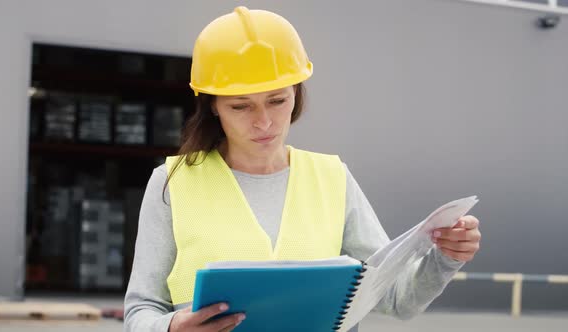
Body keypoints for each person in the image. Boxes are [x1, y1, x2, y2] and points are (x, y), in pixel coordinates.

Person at [124, 6, 481, 332]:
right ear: (213, 106)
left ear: (297, 91)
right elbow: (140, 310)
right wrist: (170, 328)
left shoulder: (332, 178)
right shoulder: (173, 184)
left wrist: (446, 257)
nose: (264, 122)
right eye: (240, 107)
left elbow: (396, 299)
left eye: (277, 100)